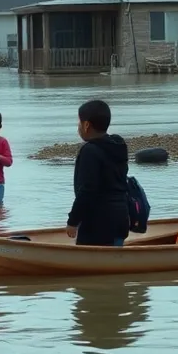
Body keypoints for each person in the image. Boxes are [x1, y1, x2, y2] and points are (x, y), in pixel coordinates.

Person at [65, 99, 130, 247]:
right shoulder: (118, 145)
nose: (78, 126)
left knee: (91, 260)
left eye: (79, 122)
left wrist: (73, 221)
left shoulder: (89, 151)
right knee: (114, 258)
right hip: (120, 218)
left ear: (86, 125)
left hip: (98, 224)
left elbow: (87, 191)